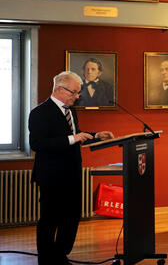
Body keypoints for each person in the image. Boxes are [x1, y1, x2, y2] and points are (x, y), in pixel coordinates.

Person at [30, 71, 114, 265]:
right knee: (50, 220)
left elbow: (76, 137)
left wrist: (95, 135)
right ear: (60, 89)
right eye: (74, 92)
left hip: (72, 174)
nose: (77, 97)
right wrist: (73, 138)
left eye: (78, 93)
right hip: (51, 176)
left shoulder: (70, 111)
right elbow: (37, 143)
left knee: (71, 217)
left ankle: (60, 255)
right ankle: (46, 259)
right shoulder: (40, 112)